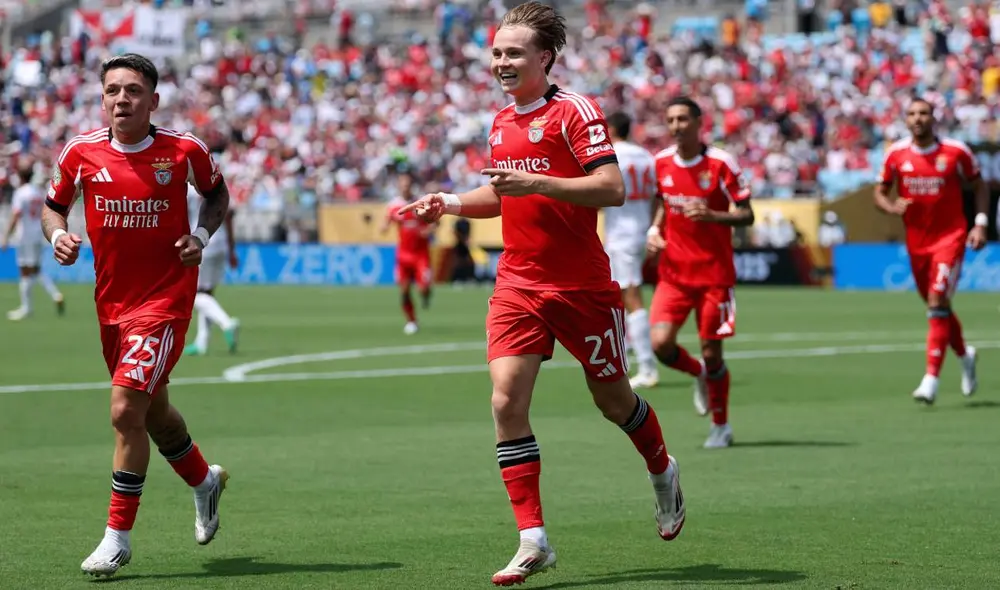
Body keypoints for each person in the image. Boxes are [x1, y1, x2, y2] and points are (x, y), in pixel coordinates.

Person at [399, 3, 685, 585]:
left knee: (613, 402)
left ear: (545, 57)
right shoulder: (501, 121)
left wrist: (539, 181)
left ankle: (662, 467)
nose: (502, 62)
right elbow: (501, 195)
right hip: (519, 283)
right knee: (506, 402)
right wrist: (449, 202)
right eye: (498, 52)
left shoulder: (574, 111)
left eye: (514, 53)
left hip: (581, 286)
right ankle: (533, 538)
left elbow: (610, 188)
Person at [40, 53, 230, 577]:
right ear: (102, 98)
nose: (121, 99)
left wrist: (201, 235)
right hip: (111, 305)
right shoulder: (79, 153)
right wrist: (58, 234)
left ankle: (117, 537)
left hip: (165, 301)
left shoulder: (183, 150)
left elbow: (217, 195)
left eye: (132, 90)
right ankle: (204, 481)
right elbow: (52, 205)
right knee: (153, 414)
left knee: (125, 410)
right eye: (112, 91)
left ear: (153, 100)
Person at [647, 96, 755, 450]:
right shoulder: (661, 162)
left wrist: (713, 216)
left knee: (714, 354)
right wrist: (654, 230)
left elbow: (747, 213)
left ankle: (721, 426)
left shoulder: (721, 163)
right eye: (671, 120)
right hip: (674, 273)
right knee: (660, 344)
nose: (676, 126)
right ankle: (697, 374)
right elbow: (662, 202)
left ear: (698, 122)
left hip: (714, 275)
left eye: (682, 119)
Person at [874, 97, 986, 404]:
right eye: (911, 114)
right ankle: (965, 356)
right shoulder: (896, 154)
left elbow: (980, 186)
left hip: (950, 238)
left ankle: (931, 380)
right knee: (939, 307)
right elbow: (880, 191)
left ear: (933, 118)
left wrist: (980, 223)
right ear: (906, 120)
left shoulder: (955, 151)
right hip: (917, 242)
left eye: (923, 113)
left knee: (937, 300)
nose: (917, 118)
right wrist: (890, 206)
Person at [602, 111, 660, 389]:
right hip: (641, 230)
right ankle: (626, 352)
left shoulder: (611, 154)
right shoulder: (646, 157)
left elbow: (603, 193)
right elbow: (655, 197)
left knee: (631, 296)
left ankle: (647, 365)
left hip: (622, 233)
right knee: (622, 296)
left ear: (611, 128)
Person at [183, 184, 240, 356]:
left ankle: (227, 323)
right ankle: (202, 342)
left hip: (201, 243)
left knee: (193, 294)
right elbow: (228, 217)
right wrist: (231, 250)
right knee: (207, 293)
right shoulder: (219, 185)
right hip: (220, 243)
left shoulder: (188, 188)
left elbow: (182, 216)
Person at [2, 166, 65, 320]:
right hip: (38, 234)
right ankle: (55, 294)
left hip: (25, 236)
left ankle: (26, 307)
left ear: (21, 176)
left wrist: (6, 236)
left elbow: (16, 214)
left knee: (25, 270)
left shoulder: (20, 193)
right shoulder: (38, 192)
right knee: (36, 270)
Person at [381, 170, 437, 334]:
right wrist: (384, 226)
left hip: (421, 254)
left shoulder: (420, 202)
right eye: (402, 184)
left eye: (407, 184)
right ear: (399, 186)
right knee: (404, 290)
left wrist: (429, 231)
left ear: (411, 185)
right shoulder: (394, 206)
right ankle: (411, 321)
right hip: (403, 255)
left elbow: (435, 223)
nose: (405, 187)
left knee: (423, 288)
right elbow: (386, 223)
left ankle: (426, 295)